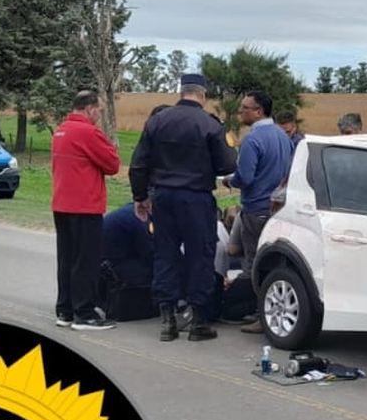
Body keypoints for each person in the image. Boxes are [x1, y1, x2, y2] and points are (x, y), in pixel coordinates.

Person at [128, 73, 237, 343]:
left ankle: (167, 320)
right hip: (196, 198)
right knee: (200, 256)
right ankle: (198, 320)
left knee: (164, 253)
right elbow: (227, 166)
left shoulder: (158, 121)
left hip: (163, 197)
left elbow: (138, 164)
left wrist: (140, 196)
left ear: (181, 92)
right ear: (203, 95)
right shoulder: (210, 125)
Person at [222, 90, 293, 333]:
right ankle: (271, 311)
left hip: (255, 208)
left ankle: (260, 314)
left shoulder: (253, 139)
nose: (241, 111)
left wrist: (228, 180)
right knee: (273, 263)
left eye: (245, 108)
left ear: (259, 111)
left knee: (254, 263)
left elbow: (246, 177)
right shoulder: (283, 137)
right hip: (278, 208)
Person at [51, 91, 122, 330]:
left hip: (61, 203)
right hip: (84, 205)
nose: (100, 115)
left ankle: (65, 309)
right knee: (86, 260)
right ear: (90, 108)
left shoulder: (61, 130)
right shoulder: (88, 132)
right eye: (99, 110)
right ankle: (85, 312)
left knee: (67, 258)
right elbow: (112, 164)